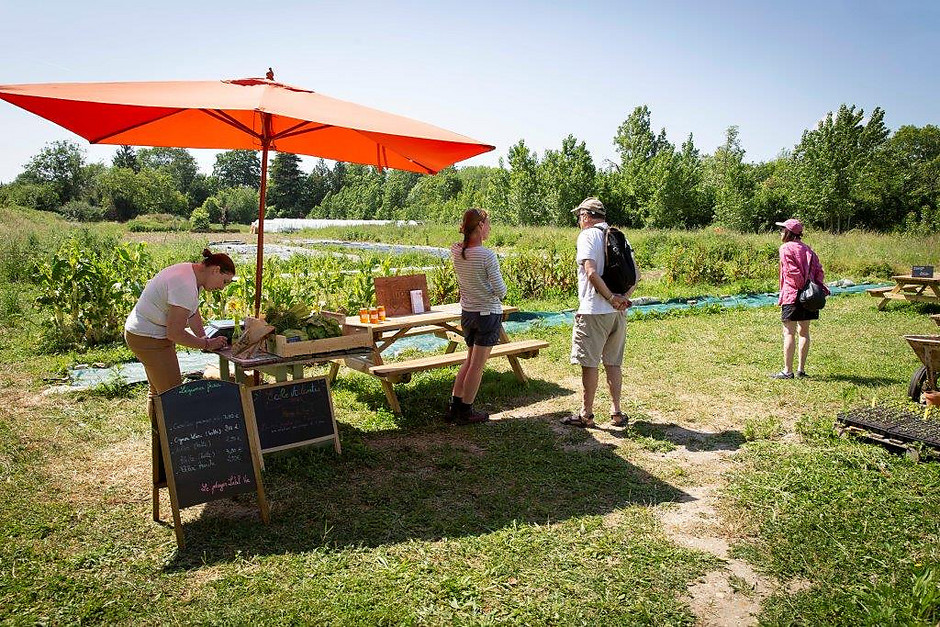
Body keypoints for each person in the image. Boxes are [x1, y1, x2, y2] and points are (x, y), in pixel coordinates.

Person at [563, 197, 640, 429]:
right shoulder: (619, 236)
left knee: (590, 363)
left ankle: (586, 414)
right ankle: (617, 412)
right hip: (617, 314)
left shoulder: (588, 235)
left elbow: (591, 272)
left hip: (593, 311)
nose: (579, 221)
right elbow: (636, 274)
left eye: (579, 216)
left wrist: (609, 297)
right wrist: (621, 298)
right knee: (613, 363)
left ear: (586, 216)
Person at [124, 248, 235, 400]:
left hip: (142, 333)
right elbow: (175, 333)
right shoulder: (185, 285)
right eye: (224, 282)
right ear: (216, 270)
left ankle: (158, 424)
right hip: (148, 337)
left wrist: (203, 337)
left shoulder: (193, 276)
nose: (222, 288)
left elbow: (192, 312)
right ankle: (170, 424)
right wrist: (207, 344)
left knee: (158, 392)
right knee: (172, 396)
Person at [447, 208, 507, 425]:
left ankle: (455, 405)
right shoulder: (487, 255)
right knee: (477, 365)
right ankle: (466, 410)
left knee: (470, 360)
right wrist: (490, 288)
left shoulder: (457, 251)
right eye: (488, 224)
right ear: (480, 226)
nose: (490, 228)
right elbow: (501, 291)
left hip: (468, 314)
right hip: (487, 313)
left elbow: (458, 246)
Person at [771, 218, 829, 379]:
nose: (781, 232)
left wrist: (801, 286)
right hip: (810, 298)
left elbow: (792, 272)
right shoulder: (808, 249)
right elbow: (819, 272)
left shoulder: (785, 248)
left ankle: (787, 371)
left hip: (793, 295)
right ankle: (801, 370)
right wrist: (813, 287)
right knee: (804, 332)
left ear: (789, 232)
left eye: (782, 230)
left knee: (788, 332)